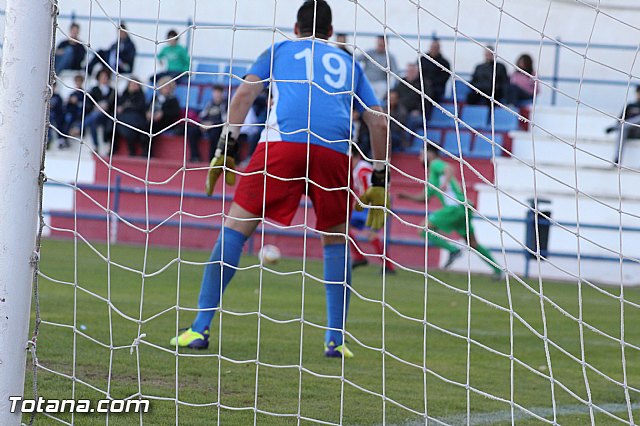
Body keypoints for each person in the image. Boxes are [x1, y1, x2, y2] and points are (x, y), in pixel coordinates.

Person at [170, 0, 388, 359]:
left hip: (283, 145)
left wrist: (227, 145)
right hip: (334, 151)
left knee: (236, 227)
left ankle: (199, 328)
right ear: (330, 33)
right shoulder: (349, 62)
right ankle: (335, 340)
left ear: (296, 28)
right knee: (335, 239)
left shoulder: (281, 49)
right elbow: (378, 121)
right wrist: (380, 178)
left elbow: (243, 94)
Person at [399, 144, 503, 279]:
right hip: (463, 208)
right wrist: (405, 196)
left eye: (421, 154)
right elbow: (423, 198)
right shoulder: (433, 177)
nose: (420, 158)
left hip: (455, 208)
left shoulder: (435, 164)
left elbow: (449, 168)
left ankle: (453, 250)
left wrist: (445, 182)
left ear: (429, 154)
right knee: (473, 244)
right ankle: (498, 270)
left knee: (423, 229)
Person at [349, 149, 395, 274]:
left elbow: (368, 192)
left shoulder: (362, 171)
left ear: (356, 157)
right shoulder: (360, 169)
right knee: (345, 227)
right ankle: (359, 257)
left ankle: (388, 266)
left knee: (370, 234)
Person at [186, 85, 227, 162]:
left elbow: (225, 120)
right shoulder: (209, 103)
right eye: (215, 92)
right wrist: (203, 124)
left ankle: (212, 158)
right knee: (192, 131)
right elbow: (202, 115)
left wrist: (212, 124)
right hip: (206, 125)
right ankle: (195, 156)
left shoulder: (225, 104)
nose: (217, 95)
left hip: (217, 127)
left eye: (219, 93)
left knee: (214, 134)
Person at [606, 85, 640, 166]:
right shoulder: (630, 106)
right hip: (629, 131)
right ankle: (617, 159)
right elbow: (620, 120)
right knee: (623, 128)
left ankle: (614, 128)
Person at [148, 76, 181, 156]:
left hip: (166, 122)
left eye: (168, 87)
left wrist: (163, 114)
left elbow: (175, 113)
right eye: (165, 86)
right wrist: (148, 113)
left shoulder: (173, 99)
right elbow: (148, 107)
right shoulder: (155, 97)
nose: (166, 88)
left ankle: (148, 152)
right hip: (153, 120)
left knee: (152, 127)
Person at [83, 69, 115, 151]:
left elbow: (115, 104)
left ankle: (80, 126)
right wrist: (96, 107)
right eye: (102, 77)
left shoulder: (112, 91)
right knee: (93, 121)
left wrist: (107, 106)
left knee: (93, 117)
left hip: (107, 115)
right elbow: (88, 104)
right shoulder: (94, 90)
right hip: (96, 114)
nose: (104, 79)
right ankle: (96, 145)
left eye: (106, 77)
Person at [359, 35, 398, 101]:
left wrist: (393, 87)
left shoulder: (390, 57)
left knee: (382, 90)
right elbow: (357, 60)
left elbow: (395, 73)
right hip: (367, 81)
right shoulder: (369, 52)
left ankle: (376, 107)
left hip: (381, 83)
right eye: (380, 45)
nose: (381, 47)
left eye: (383, 45)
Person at [115, 79, 148, 156]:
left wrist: (125, 108)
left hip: (137, 120)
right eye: (132, 84)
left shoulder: (141, 96)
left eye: (136, 85)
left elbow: (140, 108)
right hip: (125, 121)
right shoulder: (124, 95)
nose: (134, 86)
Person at [395, 62, 430, 131]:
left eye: (413, 71)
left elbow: (427, 100)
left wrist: (419, 110)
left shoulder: (423, 84)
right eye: (409, 71)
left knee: (413, 119)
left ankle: (406, 139)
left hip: (416, 111)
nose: (411, 73)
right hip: (401, 109)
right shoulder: (402, 82)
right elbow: (396, 95)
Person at [419, 38, 450, 104]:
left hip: (436, 88)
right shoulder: (423, 59)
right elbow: (418, 72)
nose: (434, 49)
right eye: (433, 47)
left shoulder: (444, 62)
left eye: (436, 48)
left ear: (439, 49)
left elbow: (445, 77)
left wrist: (432, 82)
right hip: (422, 84)